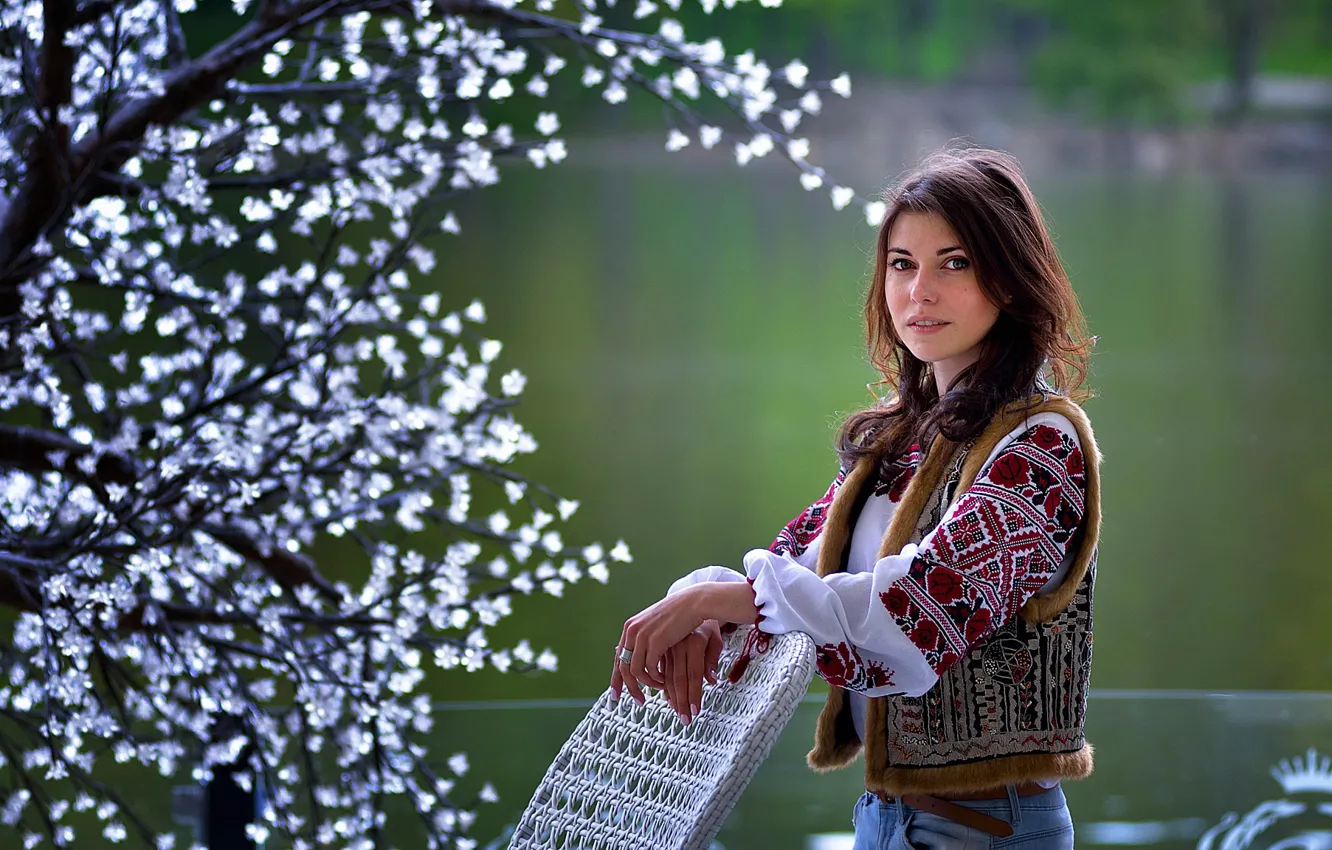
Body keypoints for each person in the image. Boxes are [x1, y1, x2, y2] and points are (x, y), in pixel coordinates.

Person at [608, 146, 1100, 849]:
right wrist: (704, 603)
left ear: (1012, 281)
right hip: (884, 819)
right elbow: (791, 569)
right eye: (902, 264)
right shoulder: (903, 440)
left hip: (991, 829)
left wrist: (737, 602)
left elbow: (922, 613)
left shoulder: (1040, 447)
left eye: (954, 263)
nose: (918, 291)